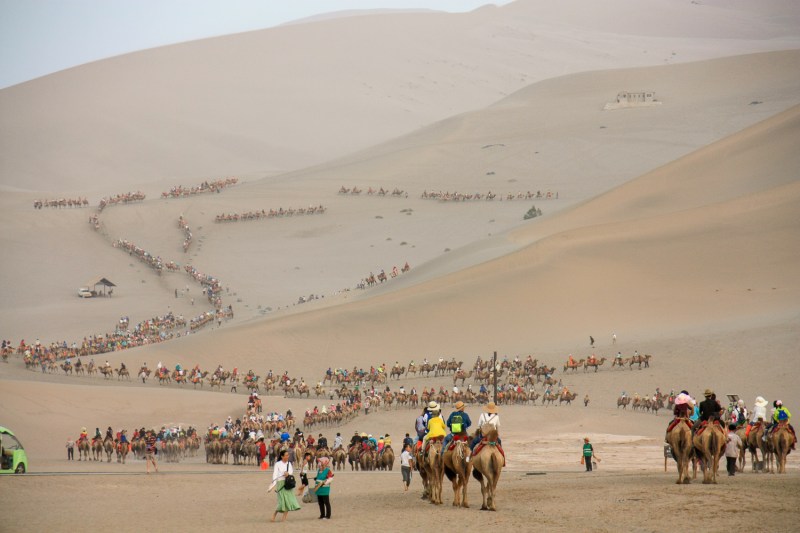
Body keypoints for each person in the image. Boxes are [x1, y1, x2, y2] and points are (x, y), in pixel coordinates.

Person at [268, 449, 301, 522]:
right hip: (280, 483)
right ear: (282, 456)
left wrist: (288, 473)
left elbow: (291, 472)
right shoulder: (277, 464)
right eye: (286, 455)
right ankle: (274, 515)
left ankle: (284, 518)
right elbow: (275, 474)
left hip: (288, 483)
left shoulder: (289, 463)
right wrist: (273, 484)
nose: (287, 456)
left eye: (288, 455)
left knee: (288, 500)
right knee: (282, 500)